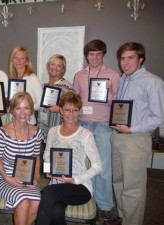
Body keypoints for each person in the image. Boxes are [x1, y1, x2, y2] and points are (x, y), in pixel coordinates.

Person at [111, 42, 164, 225]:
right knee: (118, 181)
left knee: (133, 186)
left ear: (141, 59)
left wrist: (132, 129)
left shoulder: (153, 82)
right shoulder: (123, 79)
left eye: (130, 58)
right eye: (122, 58)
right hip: (117, 137)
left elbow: (158, 117)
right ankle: (123, 216)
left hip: (136, 140)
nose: (125, 63)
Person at [36, 92, 102, 225]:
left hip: (80, 187)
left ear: (79, 112)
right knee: (56, 211)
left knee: (47, 192)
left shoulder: (86, 135)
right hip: (57, 184)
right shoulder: (53, 131)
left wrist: (75, 179)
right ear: (60, 110)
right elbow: (47, 154)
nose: (70, 114)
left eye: (75, 110)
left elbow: (97, 166)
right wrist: (49, 169)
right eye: (67, 110)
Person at [73, 39, 120, 219]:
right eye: (91, 53)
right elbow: (76, 100)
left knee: (103, 168)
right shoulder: (79, 75)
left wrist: (109, 92)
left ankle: (105, 205)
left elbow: (118, 104)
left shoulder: (113, 75)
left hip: (102, 126)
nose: (95, 57)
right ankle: (87, 199)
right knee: (83, 165)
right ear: (87, 55)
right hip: (83, 125)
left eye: (98, 53)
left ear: (103, 55)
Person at [0, 92, 43, 225]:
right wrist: (7, 178)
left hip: (28, 177)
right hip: (6, 178)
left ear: (31, 111)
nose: (22, 112)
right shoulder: (3, 132)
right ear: (12, 110)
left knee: (36, 202)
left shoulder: (36, 131)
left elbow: (36, 156)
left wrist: (36, 177)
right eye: (18, 108)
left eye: (26, 108)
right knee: (23, 202)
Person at [37, 54, 75, 143]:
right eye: (52, 64)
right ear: (48, 66)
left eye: (59, 66)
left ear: (62, 69)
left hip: (59, 133)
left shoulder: (67, 88)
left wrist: (59, 109)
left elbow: (73, 110)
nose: (55, 68)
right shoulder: (43, 86)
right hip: (42, 132)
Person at [8, 46, 43, 125]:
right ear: (12, 60)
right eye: (16, 58)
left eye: (22, 58)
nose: (18, 61)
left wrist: (23, 110)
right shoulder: (12, 79)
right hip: (13, 123)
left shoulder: (32, 78)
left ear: (27, 61)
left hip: (28, 123)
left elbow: (40, 104)